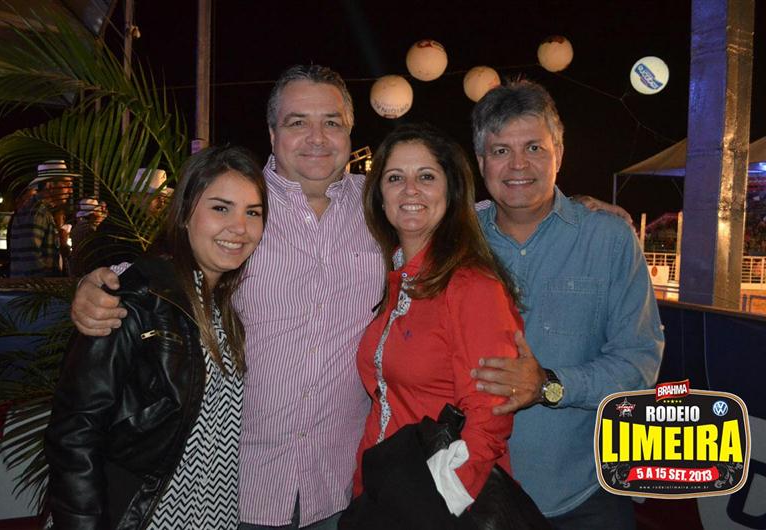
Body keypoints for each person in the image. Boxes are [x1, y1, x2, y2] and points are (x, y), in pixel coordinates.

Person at [68, 65, 630, 528]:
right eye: (298, 122)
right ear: (273, 134)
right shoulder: (245, 209)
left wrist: (574, 206)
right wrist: (106, 284)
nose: (317, 138)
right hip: (238, 487)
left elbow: (454, 206)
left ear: (351, 132)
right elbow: (179, 260)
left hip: (342, 492)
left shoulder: (378, 209)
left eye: (332, 122)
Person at [468, 80, 664, 529]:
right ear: (481, 161)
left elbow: (639, 364)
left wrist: (549, 386)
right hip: (475, 492)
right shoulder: (457, 240)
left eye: (534, 147)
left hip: (586, 495)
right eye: (501, 150)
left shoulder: (609, 239)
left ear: (559, 152)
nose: (518, 164)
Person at [44, 145, 267, 529]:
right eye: (221, 208)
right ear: (184, 215)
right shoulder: (134, 298)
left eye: (253, 212)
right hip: (144, 517)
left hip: (208, 516)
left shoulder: (222, 306)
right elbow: (74, 435)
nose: (239, 227)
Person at [352, 123, 522, 516]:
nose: (410, 190)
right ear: (380, 196)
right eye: (395, 178)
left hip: (436, 503)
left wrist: (437, 502)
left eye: (426, 176)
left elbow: (490, 416)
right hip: (380, 491)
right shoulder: (398, 278)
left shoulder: (471, 286)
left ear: (451, 191)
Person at [8, 165, 72, 277]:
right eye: (66, 185)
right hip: (35, 286)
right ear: (50, 185)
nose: (70, 191)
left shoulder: (35, 208)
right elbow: (32, 260)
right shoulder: (39, 211)